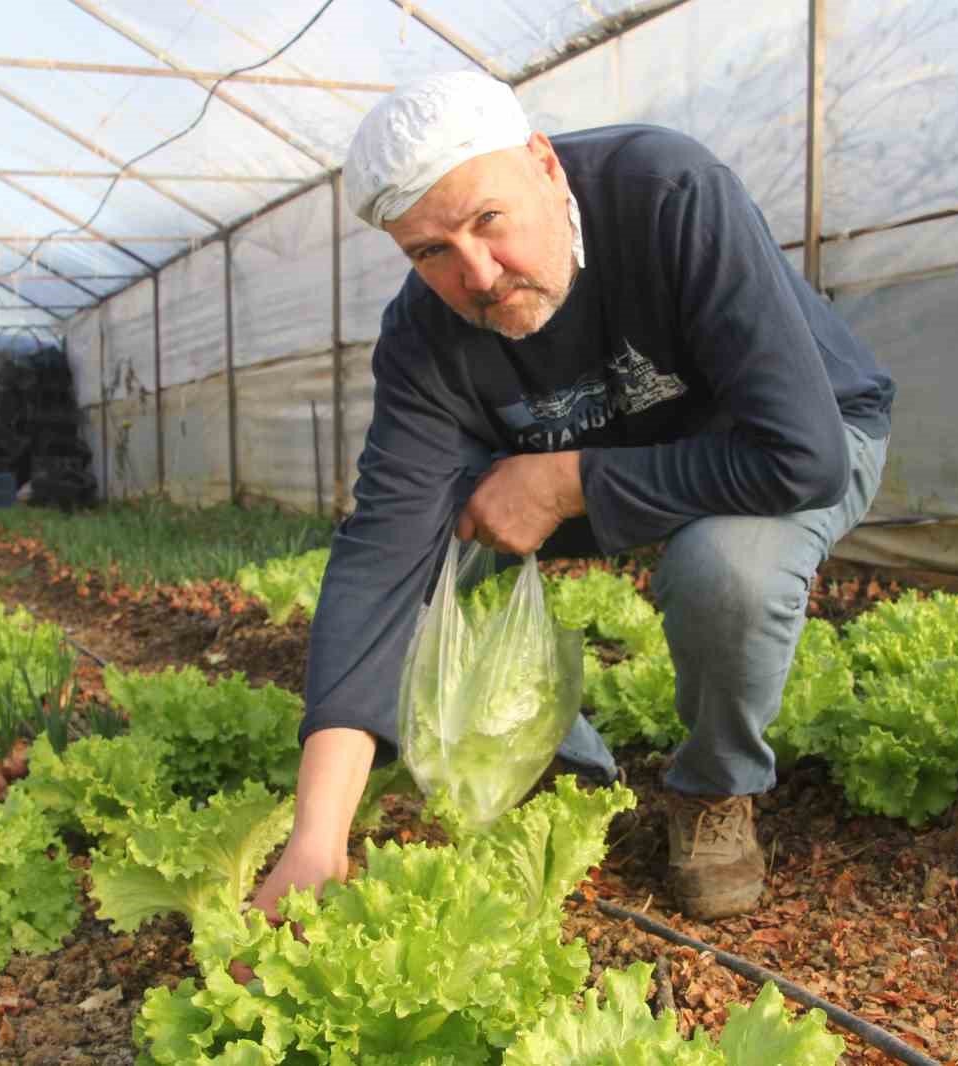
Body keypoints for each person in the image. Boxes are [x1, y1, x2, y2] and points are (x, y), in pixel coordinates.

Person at [250, 70, 894, 923]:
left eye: (488, 221)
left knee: (724, 569)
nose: (476, 274)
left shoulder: (668, 193)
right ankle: (569, 768)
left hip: (792, 441)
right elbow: (380, 560)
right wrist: (315, 839)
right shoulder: (423, 335)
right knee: (434, 557)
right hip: (620, 457)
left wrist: (566, 480)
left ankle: (713, 790)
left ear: (545, 166)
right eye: (429, 251)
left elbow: (801, 458)